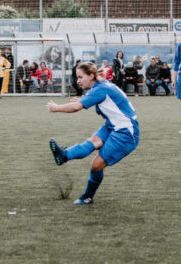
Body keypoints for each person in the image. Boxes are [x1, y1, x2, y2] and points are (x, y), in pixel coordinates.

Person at [46, 62, 139, 205]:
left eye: (80, 77)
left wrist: (56, 107)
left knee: (96, 165)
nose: (78, 81)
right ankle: (64, 155)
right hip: (113, 125)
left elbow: (77, 107)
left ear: (90, 76)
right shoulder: (101, 86)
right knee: (92, 142)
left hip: (126, 132)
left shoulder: (99, 89)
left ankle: (88, 196)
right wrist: (85, 100)